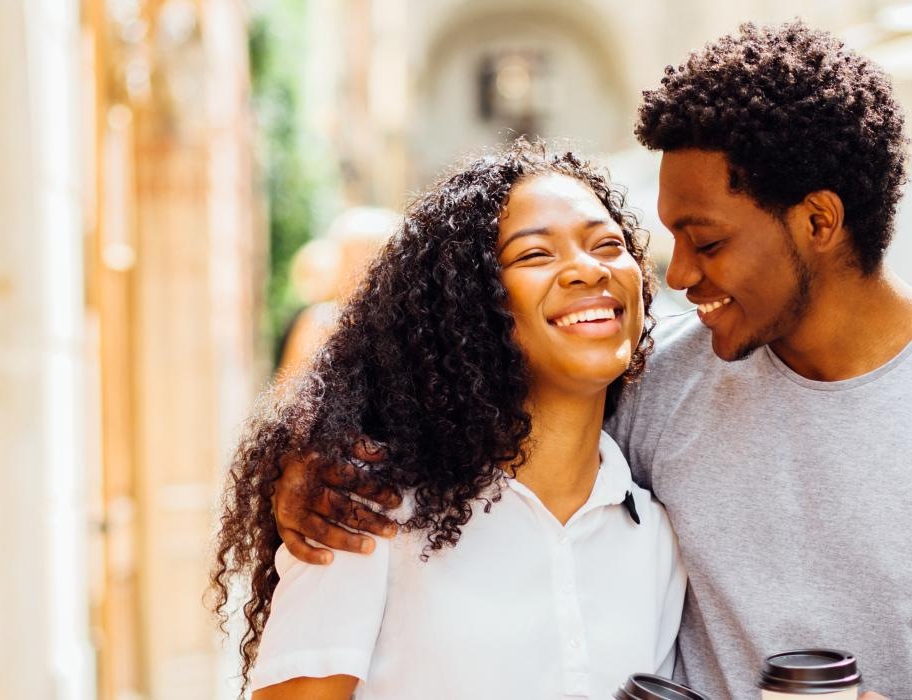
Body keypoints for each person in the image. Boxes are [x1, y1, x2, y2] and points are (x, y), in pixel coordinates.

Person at [274, 21, 912, 700]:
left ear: (817, 222)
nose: (679, 274)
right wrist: (312, 463)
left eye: (706, 240)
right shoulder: (659, 384)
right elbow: (475, 409)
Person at [211, 142, 685, 699]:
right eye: (535, 255)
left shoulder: (653, 537)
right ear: (467, 300)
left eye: (608, 245)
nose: (587, 269)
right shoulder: (361, 510)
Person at [275, 207, 401, 380]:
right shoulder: (318, 324)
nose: (359, 273)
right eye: (351, 260)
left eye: (369, 258)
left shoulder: (405, 325)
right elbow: (288, 393)